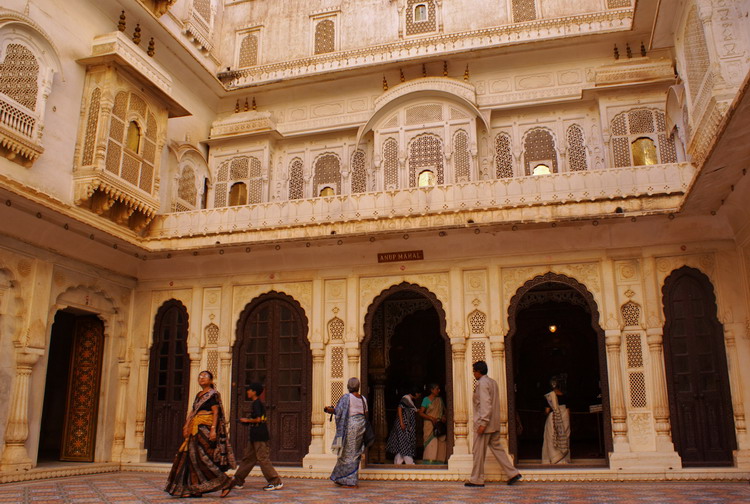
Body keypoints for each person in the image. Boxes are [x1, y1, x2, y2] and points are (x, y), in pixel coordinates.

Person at [165, 370, 236, 498]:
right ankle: (195, 488)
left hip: (205, 429)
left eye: (205, 377)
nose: (201, 378)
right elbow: (193, 411)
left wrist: (214, 429)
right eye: (200, 377)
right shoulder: (199, 395)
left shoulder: (213, 395)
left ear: (211, 380)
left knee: (203, 458)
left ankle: (226, 482)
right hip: (195, 428)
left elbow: (216, 412)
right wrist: (186, 424)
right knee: (192, 458)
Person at [465, 361, 522, 487]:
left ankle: (477, 479)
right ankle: (512, 473)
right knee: (497, 449)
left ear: (479, 371)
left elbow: (486, 404)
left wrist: (483, 423)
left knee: (478, 452)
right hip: (494, 423)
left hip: (485, 425)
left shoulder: (482, 383)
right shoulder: (493, 382)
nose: (473, 373)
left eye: (474, 371)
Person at [221, 383, 283, 497]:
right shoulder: (256, 403)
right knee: (248, 458)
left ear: (254, 392)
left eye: (249, 390)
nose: (247, 392)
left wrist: (246, 420)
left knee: (262, 458)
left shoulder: (257, 403)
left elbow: (259, 419)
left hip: (259, 434)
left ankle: (275, 481)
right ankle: (238, 481)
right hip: (255, 434)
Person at [325, 377, 369, 488]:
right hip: (361, 426)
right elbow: (365, 413)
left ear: (348, 386)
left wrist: (329, 410)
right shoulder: (363, 399)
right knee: (354, 452)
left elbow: (338, 411)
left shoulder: (346, 397)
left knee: (348, 453)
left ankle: (350, 481)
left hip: (351, 427)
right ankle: (341, 478)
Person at [386, 386, 421, 464]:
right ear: (415, 393)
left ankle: (398, 461)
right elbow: (400, 408)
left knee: (403, 443)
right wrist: (402, 422)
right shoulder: (405, 399)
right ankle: (409, 462)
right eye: (418, 394)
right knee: (405, 443)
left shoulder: (410, 401)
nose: (419, 396)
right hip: (403, 425)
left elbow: (412, 410)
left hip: (407, 426)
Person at [541, 376, 570, 464]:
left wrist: (545, 414)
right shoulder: (565, 396)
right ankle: (563, 460)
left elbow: (547, 410)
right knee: (564, 436)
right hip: (564, 417)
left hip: (553, 417)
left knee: (551, 437)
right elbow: (568, 411)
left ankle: (553, 459)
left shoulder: (550, 396)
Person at [418, 383, 447, 464]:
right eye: (437, 389)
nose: (439, 390)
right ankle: (429, 463)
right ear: (432, 390)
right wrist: (431, 418)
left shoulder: (439, 400)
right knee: (431, 443)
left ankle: (439, 462)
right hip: (429, 425)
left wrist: (444, 417)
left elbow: (445, 411)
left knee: (440, 443)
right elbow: (421, 413)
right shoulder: (426, 400)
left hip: (439, 424)